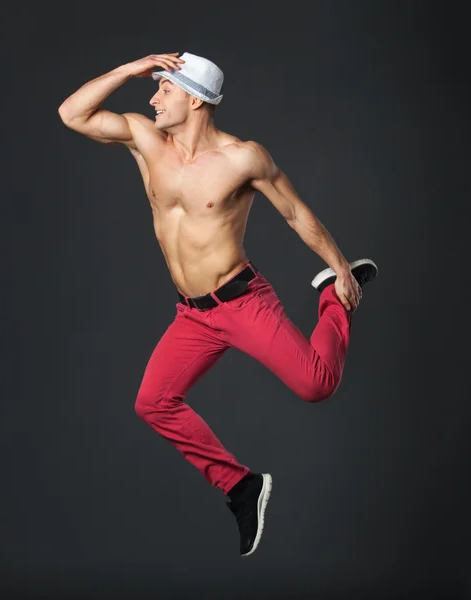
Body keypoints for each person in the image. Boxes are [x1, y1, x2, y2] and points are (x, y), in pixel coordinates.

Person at [58, 52, 378, 557]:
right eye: (154, 88)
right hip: (193, 313)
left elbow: (295, 213)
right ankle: (240, 486)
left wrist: (339, 266)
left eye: (163, 89)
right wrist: (128, 69)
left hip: (242, 300)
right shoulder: (145, 141)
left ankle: (331, 299)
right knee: (153, 403)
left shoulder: (243, 158)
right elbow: (71, 114)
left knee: (317, 384)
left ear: (193, 97)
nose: (152, 97)